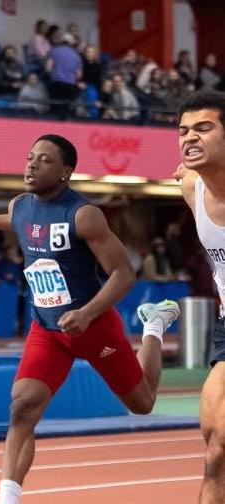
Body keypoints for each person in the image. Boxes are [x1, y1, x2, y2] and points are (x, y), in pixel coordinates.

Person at [0, 134, 179, 504]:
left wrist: (87, 313)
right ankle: (8, 498)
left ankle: (153, 327)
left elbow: (123, 274)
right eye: (30, 157)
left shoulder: (84, 215)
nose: (31, 164)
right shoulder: (20, 206)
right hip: (47, 331)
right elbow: (20, 224)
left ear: (66, 172)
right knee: (22, 408)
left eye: (44, 160)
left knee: (142, 404)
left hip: (94, 327)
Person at [172, 90, 225, 503]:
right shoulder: (192, 188)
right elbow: (184, 174)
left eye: (204, 128)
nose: (190, 138)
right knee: (215, 444)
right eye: (184, 131)